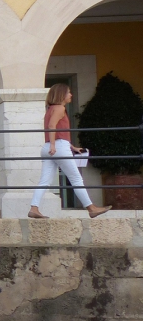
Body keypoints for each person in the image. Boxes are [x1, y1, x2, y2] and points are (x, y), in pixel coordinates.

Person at [29, 83, 111, 219]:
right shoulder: (60, 108)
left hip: (50, 147)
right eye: (68, 92)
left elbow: (59, 132)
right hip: (57, 147)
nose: (71, 95)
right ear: (61, 95)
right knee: (76, 179)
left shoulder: (50, 109)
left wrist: (71, 147)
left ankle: (34, 207)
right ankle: (91, 208)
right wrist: (54, 145)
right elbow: (52, 126)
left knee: (44, 181)